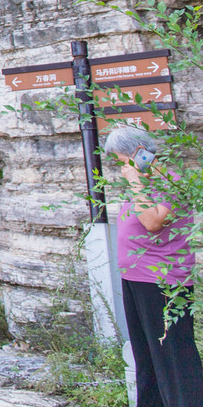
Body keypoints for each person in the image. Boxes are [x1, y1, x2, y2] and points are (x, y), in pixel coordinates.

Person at [104, 125, 203, 407]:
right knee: (145, 354)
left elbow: (153, 222)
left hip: (163, 282)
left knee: (173, 354)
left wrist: (135, 181)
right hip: (136, 278)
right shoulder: (145, 182)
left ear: (137, 152)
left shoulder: (170, 181)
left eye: (121, 160)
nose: (120, 168)